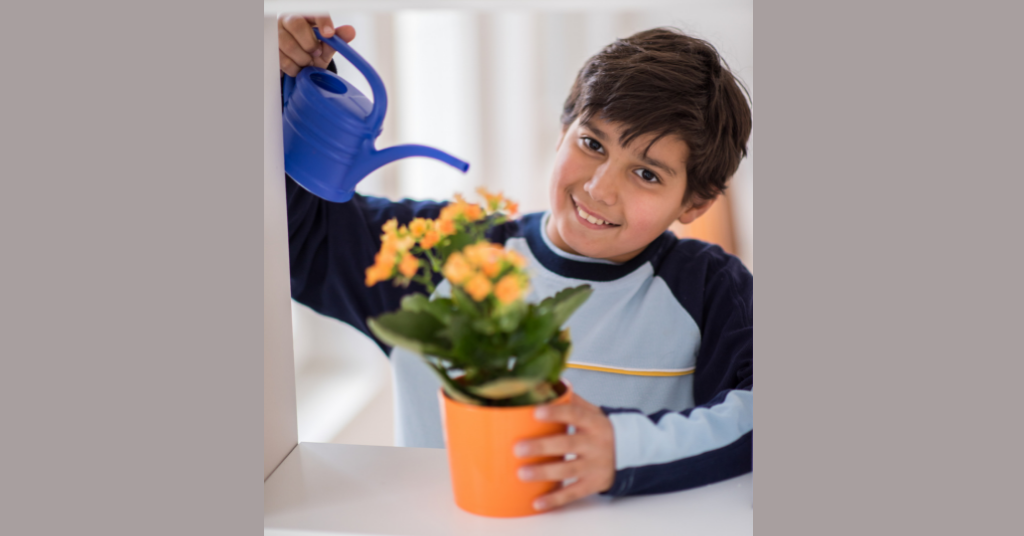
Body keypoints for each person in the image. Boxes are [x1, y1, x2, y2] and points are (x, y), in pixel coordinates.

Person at [277, 14, 753, 512]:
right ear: (561, 131)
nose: (600, 188)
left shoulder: (711, 288)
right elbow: (290, 237)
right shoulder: (441, 251)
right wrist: (283, 92)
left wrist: (624, 448)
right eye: (592, 144)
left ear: (695, 204)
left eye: (647, 174)